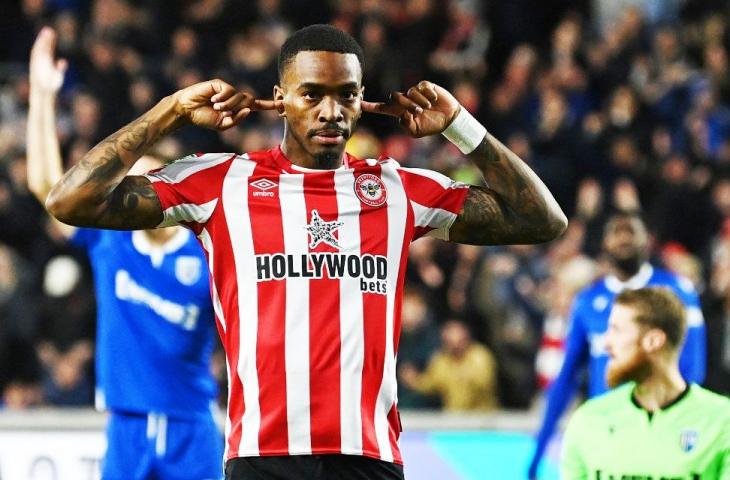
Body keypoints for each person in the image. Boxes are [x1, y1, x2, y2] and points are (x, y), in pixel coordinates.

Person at [43, 24, 567, 479]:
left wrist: (459, 124)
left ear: (364, 99)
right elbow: (71, 200)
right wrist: (169, 112)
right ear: (280, 96)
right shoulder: (224, 183)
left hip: (370, 457)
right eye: (312, 94)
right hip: (262, 457)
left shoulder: (396, 189)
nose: (331, 111)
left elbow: (542, 219)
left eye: (347, 95)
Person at [27, 27, 223, 479]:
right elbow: (46, 185)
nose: (133, 197)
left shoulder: (207, 248)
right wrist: (42, 95)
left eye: (145, 186)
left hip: (191, 424)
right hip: (126, 424)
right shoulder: (109, 238)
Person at [529, 212, 707, 479]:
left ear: (647, 240)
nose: (624, 238)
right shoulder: (587, 302)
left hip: (664, 430)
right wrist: (539, 451)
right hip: (609, 433)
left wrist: (680, 421)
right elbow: (566, 377)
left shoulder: (677, 290)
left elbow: (694, 365)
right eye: (616, 232)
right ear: (604, 243)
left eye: (631, 231)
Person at [561, 287, 729, 479]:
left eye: (616, 330)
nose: (605, 343)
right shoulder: (589, 420)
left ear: (653, 341)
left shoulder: (722, 421)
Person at [399, 319, 498, 412]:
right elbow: (430, 384)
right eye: (450, 342)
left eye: (459, 342)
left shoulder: (480, 355)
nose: (455, 346)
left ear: (466, 338)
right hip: (453, 418)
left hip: (482, 417)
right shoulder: (442, 360)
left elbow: (485, 380)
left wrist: (461, 374)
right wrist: (414, 381)